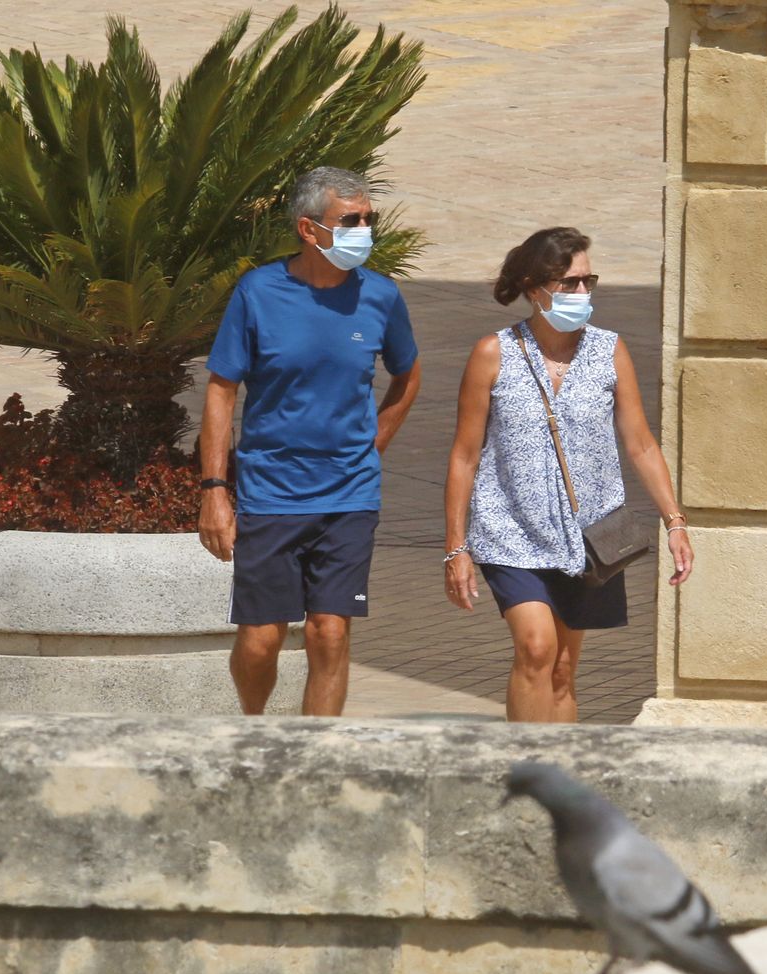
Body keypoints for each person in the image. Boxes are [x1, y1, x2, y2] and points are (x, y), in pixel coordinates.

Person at [443, 227, 693, 723]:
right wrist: (456, 547)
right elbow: (464, 456)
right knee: (536, 648)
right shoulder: (493, 353)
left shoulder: (609, 351)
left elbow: (640, 443)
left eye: (588, 281)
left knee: (562, 667)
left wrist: (675, 522)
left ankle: (560, 780)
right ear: (535, 288)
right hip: (510, 532)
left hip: (589, 538)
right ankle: (528, 773)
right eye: (569, 283)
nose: (582, 294)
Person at [198, 166, 420, 716]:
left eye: (369, 219)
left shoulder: (381, 297)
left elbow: (408, 374)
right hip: (271, 491)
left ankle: (316, 758)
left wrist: (376, 442)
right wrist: (214, 490)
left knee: (329, 632)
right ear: (308, 228)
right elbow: (222, 391)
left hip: (349, 494)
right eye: (350, 220)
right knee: (261, 639)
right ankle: (254, 727)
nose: (364, 230)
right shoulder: (258, 293)